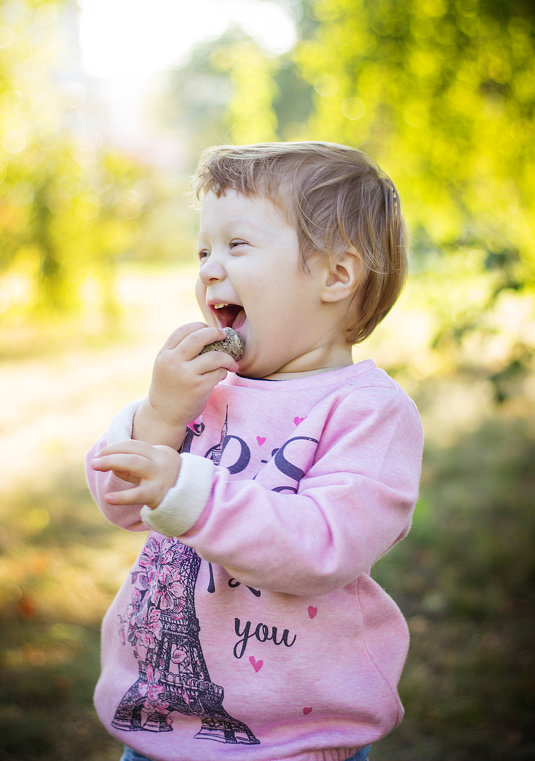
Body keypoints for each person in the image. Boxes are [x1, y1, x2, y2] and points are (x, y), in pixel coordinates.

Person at [86, 141, 423, 761]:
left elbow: (324, 546)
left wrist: (188, 493)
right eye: (204, 250)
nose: (210, 268)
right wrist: (159, 416)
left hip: (295, 739)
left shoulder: (368, 411)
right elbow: (118, 502)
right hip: (157, 733)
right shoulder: (205, 393)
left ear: (336, 275)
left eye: (237, 246)